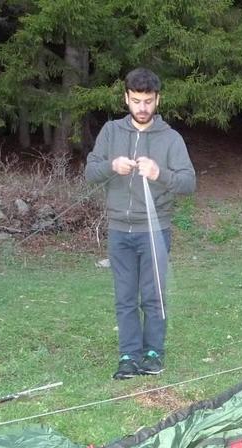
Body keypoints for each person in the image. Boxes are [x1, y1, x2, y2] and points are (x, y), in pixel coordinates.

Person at [85, 68, 196, 380]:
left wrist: (160, 173)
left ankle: (152, 354)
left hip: (155, 229)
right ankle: (128, 356)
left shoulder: (171, 138)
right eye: (136, 101)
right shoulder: (111, 132)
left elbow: (189, 183)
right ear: (126, 99)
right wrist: (111, 166)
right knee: (125, 297)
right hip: (119, 229)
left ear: (157, 100)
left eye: (148, 101)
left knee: (153, 295)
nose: (142, 108)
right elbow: (90, 172)